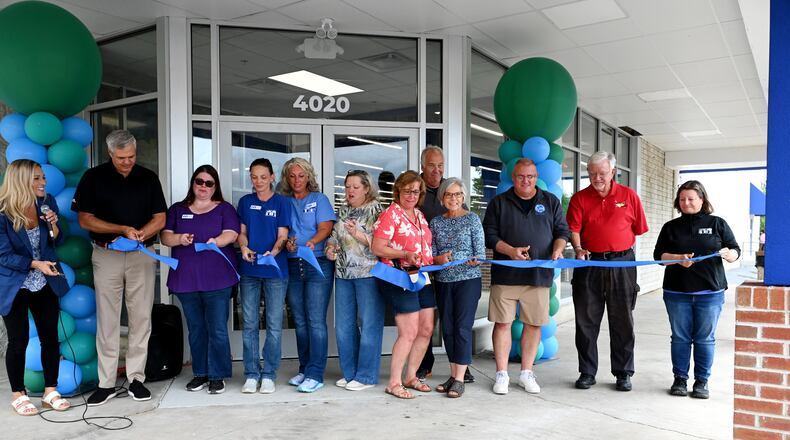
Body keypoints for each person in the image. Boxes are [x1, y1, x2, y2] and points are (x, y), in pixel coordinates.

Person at [73, 129, 167, 406]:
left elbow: (160, 217)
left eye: (131, 156)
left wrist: (141, 233)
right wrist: (122, 229)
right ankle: (106, 383)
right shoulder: (93, 177)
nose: (127, 162)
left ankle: (136, 378)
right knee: (108, 319)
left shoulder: (148, 177)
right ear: (110, 153)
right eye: (121, 157)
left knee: (141, 317)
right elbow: (85, 219)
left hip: (142, 253)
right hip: (107, 254)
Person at [483, 159, 569, 395]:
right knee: (503, 324)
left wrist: (558, 249)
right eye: (521, 176)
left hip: (538, 275)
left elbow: (562, 231)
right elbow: (489, 235)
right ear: (513, 177)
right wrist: (510, 251)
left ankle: (526, 373)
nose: (526, 181)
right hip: (506, 275)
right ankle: (502, 374)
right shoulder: (499, 202)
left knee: (533, 324)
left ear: (536, 177)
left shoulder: (550, 201)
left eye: (530, 176)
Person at [567, 151, 648, 392]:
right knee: (586, 321)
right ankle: (587, 372)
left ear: (613, 172)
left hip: (622, 264)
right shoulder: (579, 198)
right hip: (589, 264)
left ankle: (623, 372)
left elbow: (638, 228)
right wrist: (578, 249)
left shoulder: (629, 196)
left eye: (602, 173)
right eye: (592, 173)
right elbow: (574, 229)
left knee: (622, 320)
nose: (597, 178)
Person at [654, 180, 739, 399]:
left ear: (702, 199)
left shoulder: (717, 223)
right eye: (682, 199)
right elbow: (659, 257)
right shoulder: (670, 227)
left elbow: (734, 249)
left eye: (691, 198)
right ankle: (680, 379)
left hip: (710, 293)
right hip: (676, 292)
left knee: (704, 339)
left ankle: (702, 381)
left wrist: (730, 255)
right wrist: (678, 258)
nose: (686, 203)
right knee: (680, 338)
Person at [161, 165, 239, 395]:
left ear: (215, 186)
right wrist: (179, 238)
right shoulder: (178, 209)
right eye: (199, 181)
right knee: (196, 329)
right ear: (193, 183)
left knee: (217, 329)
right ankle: (200, 373)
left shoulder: (224, 208)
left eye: (209, 183)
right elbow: (165, 236)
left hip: (218, 279)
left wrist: (218, 241)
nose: (203, 186)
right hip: (186, 280)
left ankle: (217, 375)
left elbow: (232, 233)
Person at [0, 159, 71, 415]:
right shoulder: (3, 212)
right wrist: (35, 264)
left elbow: (57, 240)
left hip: (45, 281)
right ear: (21, 181)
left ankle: (50, 391)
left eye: (43, 177)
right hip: (14, 284)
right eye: (37, 178)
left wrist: (53, 224)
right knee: (18, 341)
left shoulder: (46, 202)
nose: (43, 182)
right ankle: (18, 394)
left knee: (50, 337)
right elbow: (3, 255)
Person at [372, 170, 435, 399]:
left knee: (426, 329)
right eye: (407, 191)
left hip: (422, 277)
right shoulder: (391, 214)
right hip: (399, 277)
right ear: (398, 191)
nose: (411, 195)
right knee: (408, 331)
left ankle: (411, 376)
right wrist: (404, 254)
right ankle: (394, 382)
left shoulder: (419, 215)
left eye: (416, 192)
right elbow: (377, 247)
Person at [417, 145, 475, 383]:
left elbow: (467, 225)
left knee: (455, 322)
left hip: (452, 272)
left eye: (440, 165)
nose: (436, 170)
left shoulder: (451, 190)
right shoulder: (416, 190)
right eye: (432, 165)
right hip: (422, 266)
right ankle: (425, 364)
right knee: (425, 320)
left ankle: (461, 367)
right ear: (423, 166)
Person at [279, 158, 336, 393]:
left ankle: (315, 373)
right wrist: (287, 244)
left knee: (315, 321)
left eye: (301, 175)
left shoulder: (319, 199)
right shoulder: (284, 201)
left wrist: (313, 241)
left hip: (317, 262)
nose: (297, 180)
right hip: (293, 264)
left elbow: (326, 227)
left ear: (309, 177)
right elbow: (282, 231)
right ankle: (304, 369)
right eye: (292, 176)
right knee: (300, 322)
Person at [325, 170, 384, 391]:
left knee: (369, 325)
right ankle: (350, 373)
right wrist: (330, 247)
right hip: (343, 274)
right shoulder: (343, 210)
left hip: (369, 274)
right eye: (347, 186)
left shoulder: (377, 210)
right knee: (344, 326)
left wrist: (359, 235)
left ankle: (366, 376)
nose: (350, 191)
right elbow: (334, 236)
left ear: (366, 188)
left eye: (355, 187)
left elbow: (384, 243)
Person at [237, 158, 290, 394]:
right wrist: (244, 247)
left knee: (274, 324)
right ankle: (251, 373)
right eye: (254, 177)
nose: (258, 181)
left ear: (272, 177)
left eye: (263, 177)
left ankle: (268, 373)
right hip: (249, 270)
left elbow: (283, 236)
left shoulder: (281, 202)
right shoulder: (245, 202)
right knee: (249, 323)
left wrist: (274, 252)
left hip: (275, 271)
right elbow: (241, 233)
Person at [429, 177, 485, 398]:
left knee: (462, 328)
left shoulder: (472, 219)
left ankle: (460, 379)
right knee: (448, 329)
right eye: (449, 194)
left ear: (463, 197)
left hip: (468, 280)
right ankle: (453, 376)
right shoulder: (436, 222)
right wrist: (439, 259)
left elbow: (480, 253)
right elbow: (432, 254)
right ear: (442, 197)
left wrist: (474, 260)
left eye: (458, 194)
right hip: (443, 281)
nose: (453, 198)